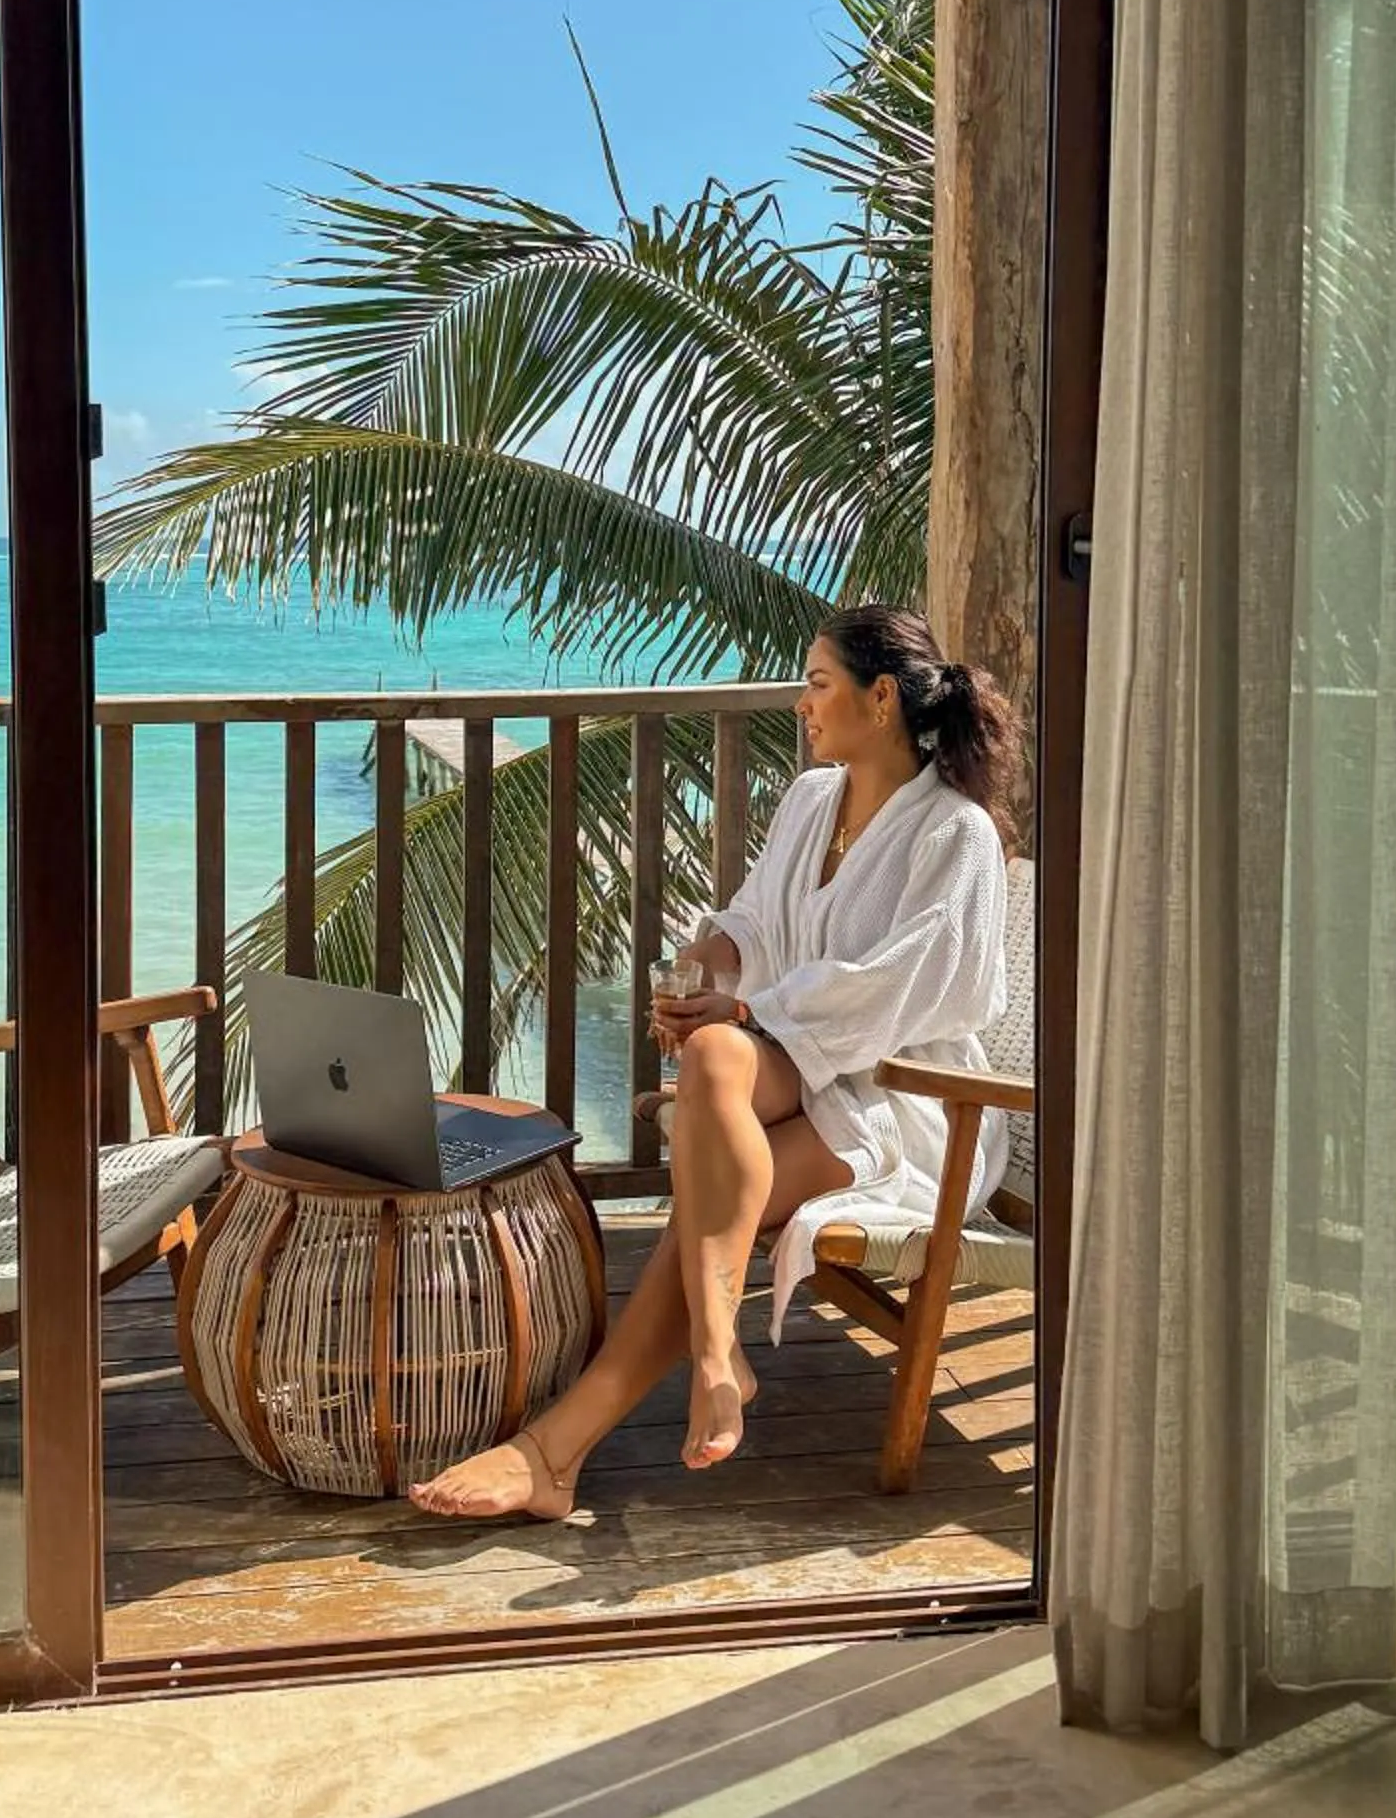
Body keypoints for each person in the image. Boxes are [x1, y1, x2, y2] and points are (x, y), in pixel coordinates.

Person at [409, 605, 1020, 1522]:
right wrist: (709, 972)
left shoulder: (954, 834)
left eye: (818, 684)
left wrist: (748, 1010)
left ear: (881, 697)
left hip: (909, 1100)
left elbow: (915, 985)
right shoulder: (816, 797)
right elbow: (753, 920)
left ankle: (560, 1446)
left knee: (709, 1159)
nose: (802, 704)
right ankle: (707, 1358)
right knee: (713, 1059)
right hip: (804, 1067)